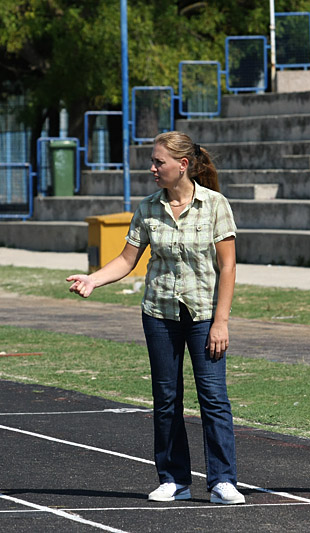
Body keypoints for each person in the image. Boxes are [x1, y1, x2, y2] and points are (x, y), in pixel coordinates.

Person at [67, 131, 245, 505]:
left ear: (182, 165)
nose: (152, 168)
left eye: (158, 162)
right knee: (166, 398)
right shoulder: (148, 207)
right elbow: (127, 260)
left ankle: (222, 480)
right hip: (159, 314)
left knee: (213, 396)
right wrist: (93, 279)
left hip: (203, 315)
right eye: (152, 161)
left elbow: (227, 267)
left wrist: (221, 321)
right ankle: (174, 479)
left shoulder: (215, 205)